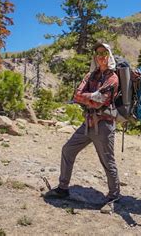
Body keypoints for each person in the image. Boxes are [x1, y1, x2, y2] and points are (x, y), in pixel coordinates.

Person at [45, 42, 120, 214]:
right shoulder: (91, 75)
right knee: (68, 149)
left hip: (104, 125)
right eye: (98, 53)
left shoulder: (113, 78)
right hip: (88, 122)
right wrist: (90, 96)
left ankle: (114, 196)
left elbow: (101, 99)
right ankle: (63, 188)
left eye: (104, 53)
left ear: (109, 56)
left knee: (108, 161)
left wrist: (88, 97)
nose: (101, 56)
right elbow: (77, 95)